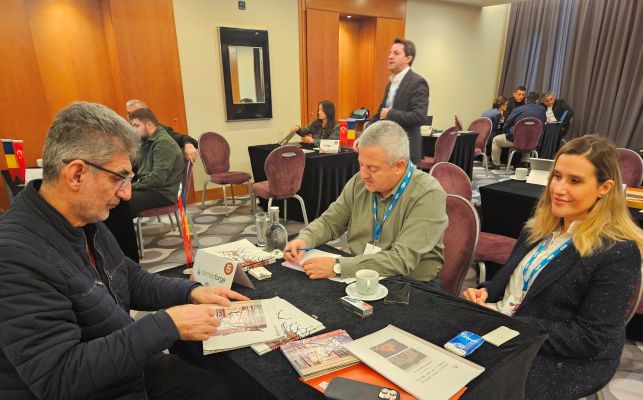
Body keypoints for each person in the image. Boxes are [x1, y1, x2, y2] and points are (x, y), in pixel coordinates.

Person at [0, 101, 255, 399]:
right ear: (77, 174)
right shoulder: (14, 255)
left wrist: (190, 291)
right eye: (119, 177)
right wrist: (167, 324)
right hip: (93, 386)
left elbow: (128, 278)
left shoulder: (82, 219)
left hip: (120, 367)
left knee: (228, 386)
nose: (127, 193)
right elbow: (59, 378)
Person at [463, 135, 642, 400]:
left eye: (575, 181)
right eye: (557, 176)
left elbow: (591, 339)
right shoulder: (538, 227)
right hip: (508, 326)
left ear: (604, 188)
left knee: (473, 389)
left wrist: (510, 323)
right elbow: (508, 280)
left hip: (559, 355)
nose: (558, 188)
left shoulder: (617, 251)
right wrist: (486, 292)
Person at [284, 120, 447, 285]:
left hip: (410, 284)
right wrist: (304, 239)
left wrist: (337, 267)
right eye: (361, 164)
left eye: (372, 168)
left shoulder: (428, 194)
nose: (363, 174)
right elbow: (330, 222)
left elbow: (401, 259)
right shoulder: (359, 183)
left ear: (399, 166)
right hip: (359, 273)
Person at [368, 38, 429, 164]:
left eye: (396, 53)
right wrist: (365, 134)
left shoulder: (417, 82)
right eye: (390, 53)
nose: (390, 56)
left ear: (408, 59)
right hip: (387, 149)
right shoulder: (391, 83)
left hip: (405, 151)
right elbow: (380, 114)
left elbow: (420, 116)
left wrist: (391, 114)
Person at [128, 108, 185, 215]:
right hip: (151, 188)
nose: (133, 130)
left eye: (136, 126)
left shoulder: (163, 143)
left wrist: (131, 187)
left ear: (149, 124)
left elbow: (158, 178)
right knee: (115, 198)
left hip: (163, 193)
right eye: (132, 126)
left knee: (121, 202)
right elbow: (137, 167)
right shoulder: (146, 141)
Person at [125, 99, 199, 162]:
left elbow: (182, 138)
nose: (131, 116)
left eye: (136, 113)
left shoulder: (158, 130)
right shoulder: (125, 131)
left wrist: (188, 144)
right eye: (128, 113)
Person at [490, 91, 546, 169]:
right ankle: (524, 162)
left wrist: (507, 131)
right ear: (537, 101)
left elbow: (507, 124)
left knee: (496, 140)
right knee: (529, 136)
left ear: (526, 100)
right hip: (533, 142)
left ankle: (496, 164)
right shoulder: (542, 110)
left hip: (517, 141)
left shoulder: (518, 109)